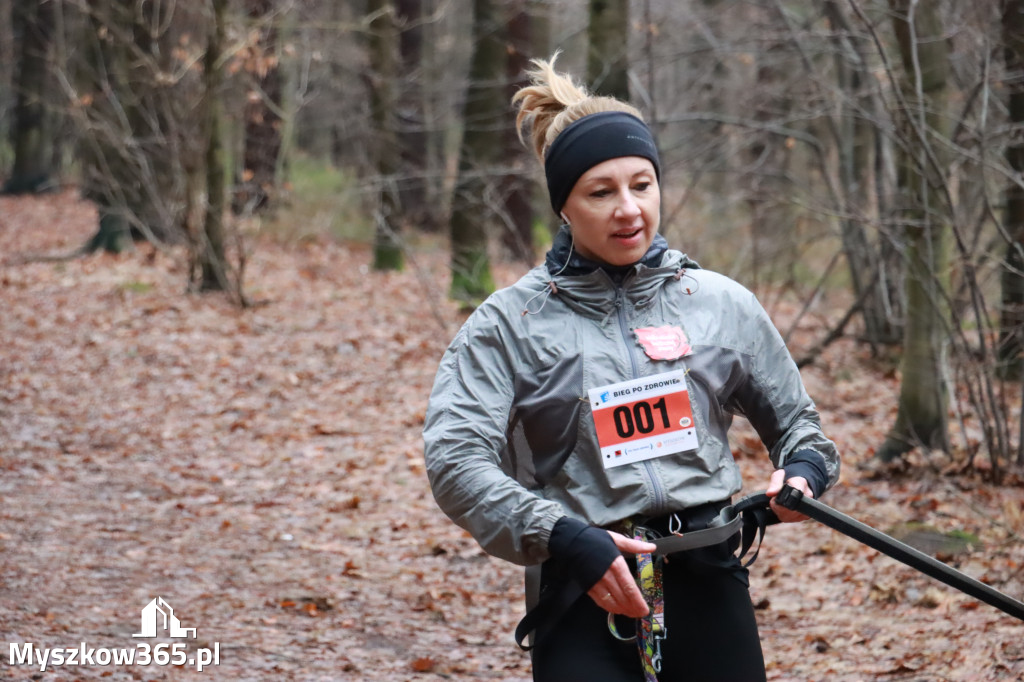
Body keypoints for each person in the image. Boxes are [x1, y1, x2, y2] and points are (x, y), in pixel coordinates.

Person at [422, 54, 840, 682]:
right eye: (601, 192)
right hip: (586, 584)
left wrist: (804, 474)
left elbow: (801, 431)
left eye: (641, 185)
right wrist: (561, 536)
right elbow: (455, 461)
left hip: (708, 577)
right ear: (564, 205)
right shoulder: (508, 323)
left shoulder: (720, 304)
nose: (628, 210)